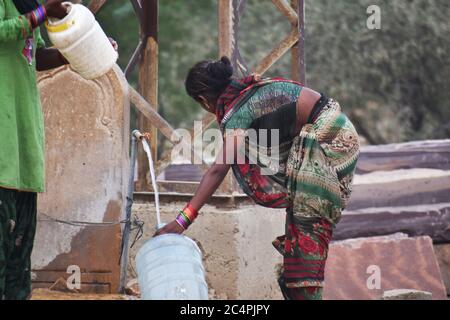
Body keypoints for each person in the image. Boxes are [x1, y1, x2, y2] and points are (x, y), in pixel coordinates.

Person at [155, 56, 360, 300]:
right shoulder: (249, 92)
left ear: (203, 99)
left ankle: (305, 292)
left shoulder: (237, 112)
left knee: (307, 233)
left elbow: (218, 169)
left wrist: (183, 220)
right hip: (339, 134)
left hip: (326, 144)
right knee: (301, 235)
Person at [0, 0, 115, 300]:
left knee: (19, 250)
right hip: (3, 142)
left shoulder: (23, 4)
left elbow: (35, 55)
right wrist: (42, 13)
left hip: (23, 144)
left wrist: (79, 49)